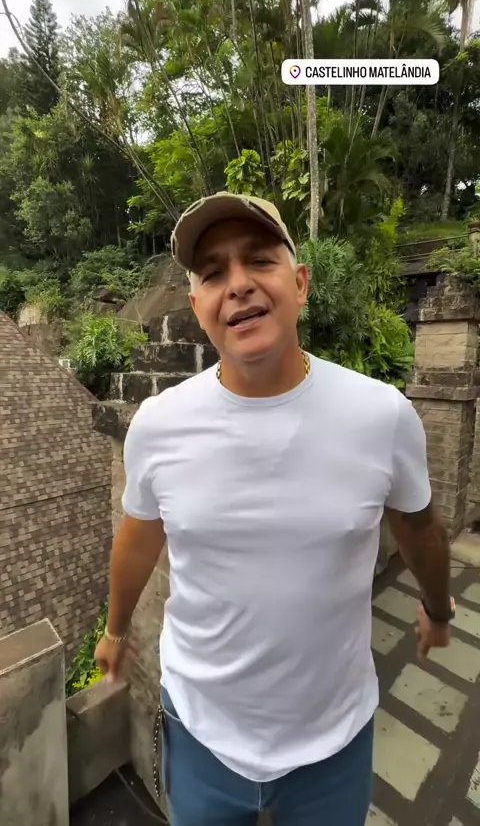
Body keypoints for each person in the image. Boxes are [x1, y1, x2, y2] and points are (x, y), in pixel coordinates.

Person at [95, 192, 454, 826]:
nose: (237, 284)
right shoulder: (159, 424)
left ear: (301, 283)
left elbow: (418, 526)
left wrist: (438, 607)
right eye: (213, 273)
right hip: (201, 729)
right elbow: (140, 535)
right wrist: (116, 630)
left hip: (333, 738)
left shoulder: (380, 415)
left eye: (259, 260)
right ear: (198, 307)